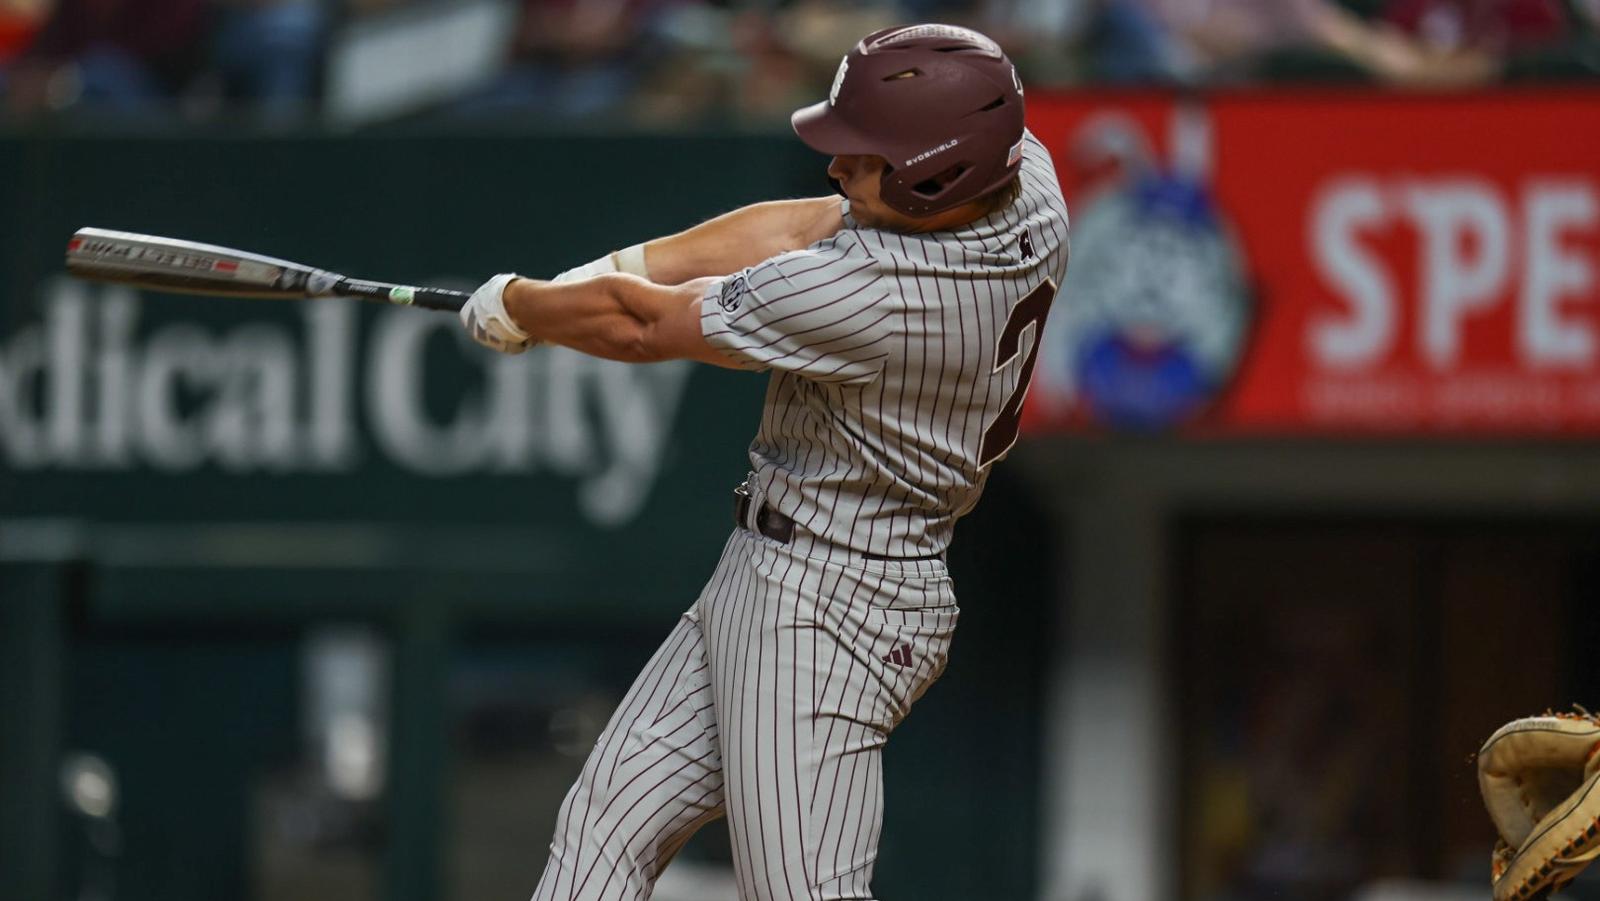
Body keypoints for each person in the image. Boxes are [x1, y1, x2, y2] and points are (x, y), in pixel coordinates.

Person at [459, 22, 1069, 900]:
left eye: (863, 157)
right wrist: (604, 272)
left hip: (830, 601)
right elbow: (800, 224)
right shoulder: (1026, 180)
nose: (836, 168)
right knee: (604, 830)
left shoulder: (874, 298)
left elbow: (641, 326)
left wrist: (521, 304)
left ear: (935, 177)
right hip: (793, 565)